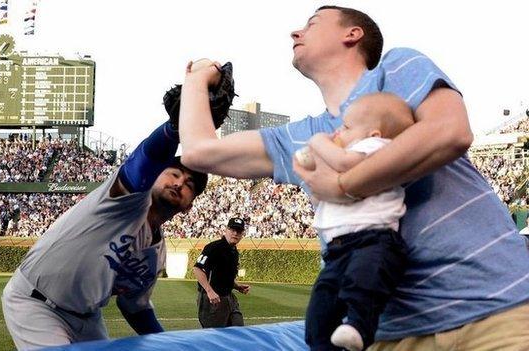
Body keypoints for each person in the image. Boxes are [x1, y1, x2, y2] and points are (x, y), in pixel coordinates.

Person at [179, 5, 529, 351]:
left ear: (352, 34)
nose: (295, 32)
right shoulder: (299, 137)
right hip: (389, 334)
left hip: (495, 309)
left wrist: (344, 185)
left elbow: (450, 132)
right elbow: (198, 151)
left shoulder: (394, 70)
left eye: (312, 23)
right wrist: (196, 78)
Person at [1, 120, 208, 350]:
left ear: (189, 206)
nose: (179, 183)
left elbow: (135, 308)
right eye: (174, 173)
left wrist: (171, 344)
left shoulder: (156, 256)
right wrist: (173, 128)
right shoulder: (124, 202)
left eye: (189, 184)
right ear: (156, 175)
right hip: (36, 303)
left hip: (88, 318)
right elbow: (143, 162)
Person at [295, 93, 413, 350]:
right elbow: (320, 195)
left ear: (374, 134)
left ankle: (359, 327)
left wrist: (318, 142)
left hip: (373, 240)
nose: (339, 131)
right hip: (339, 249)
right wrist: (311, 170)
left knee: (363, 286)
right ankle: (321, 338)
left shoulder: (378, 148)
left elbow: (345, 162)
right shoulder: (351, 153)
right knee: (322, 304)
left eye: (346, 127)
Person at [193, 217, 251, 328]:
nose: (235, 233)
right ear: (226, 230)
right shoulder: (213, 248)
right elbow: (197, 269)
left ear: (242, 234)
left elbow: (223, 276)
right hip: (212, 300)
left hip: (229, 298)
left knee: (239, 332)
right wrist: (210, 291)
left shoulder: (234, 251)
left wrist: (237, 286)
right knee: (215, 338)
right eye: (232, 230)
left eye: (238, 231)